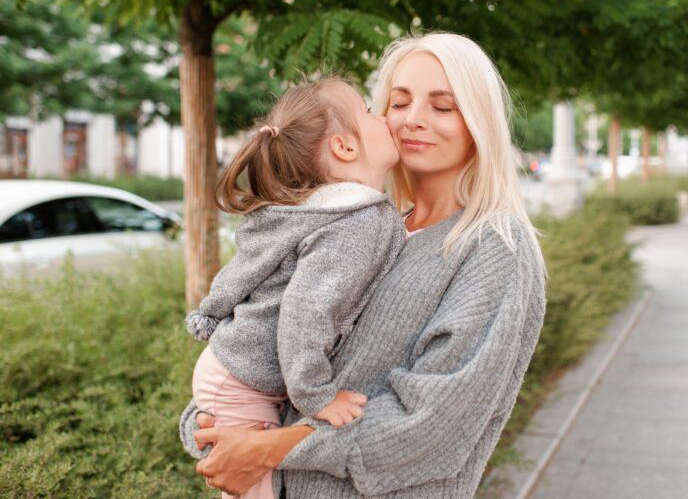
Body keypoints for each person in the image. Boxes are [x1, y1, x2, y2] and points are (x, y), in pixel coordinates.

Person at [181, 31, 548, 498]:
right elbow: (276, 346)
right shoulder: (366, 230)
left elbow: (430, 425)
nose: (414, 120)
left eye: (442, 106)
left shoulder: (495, 247)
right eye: (399, 102)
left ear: (478, 122)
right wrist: (215, 426)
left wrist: (267, 449)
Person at [180, 77, 406, 499]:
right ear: (345, 147)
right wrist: (317, 397)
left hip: (234, 373)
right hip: (243, 382)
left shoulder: (325, 212)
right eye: (369, 112)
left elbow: (250, 271)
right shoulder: (354, 222)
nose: (385, 119)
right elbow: (306, 313)